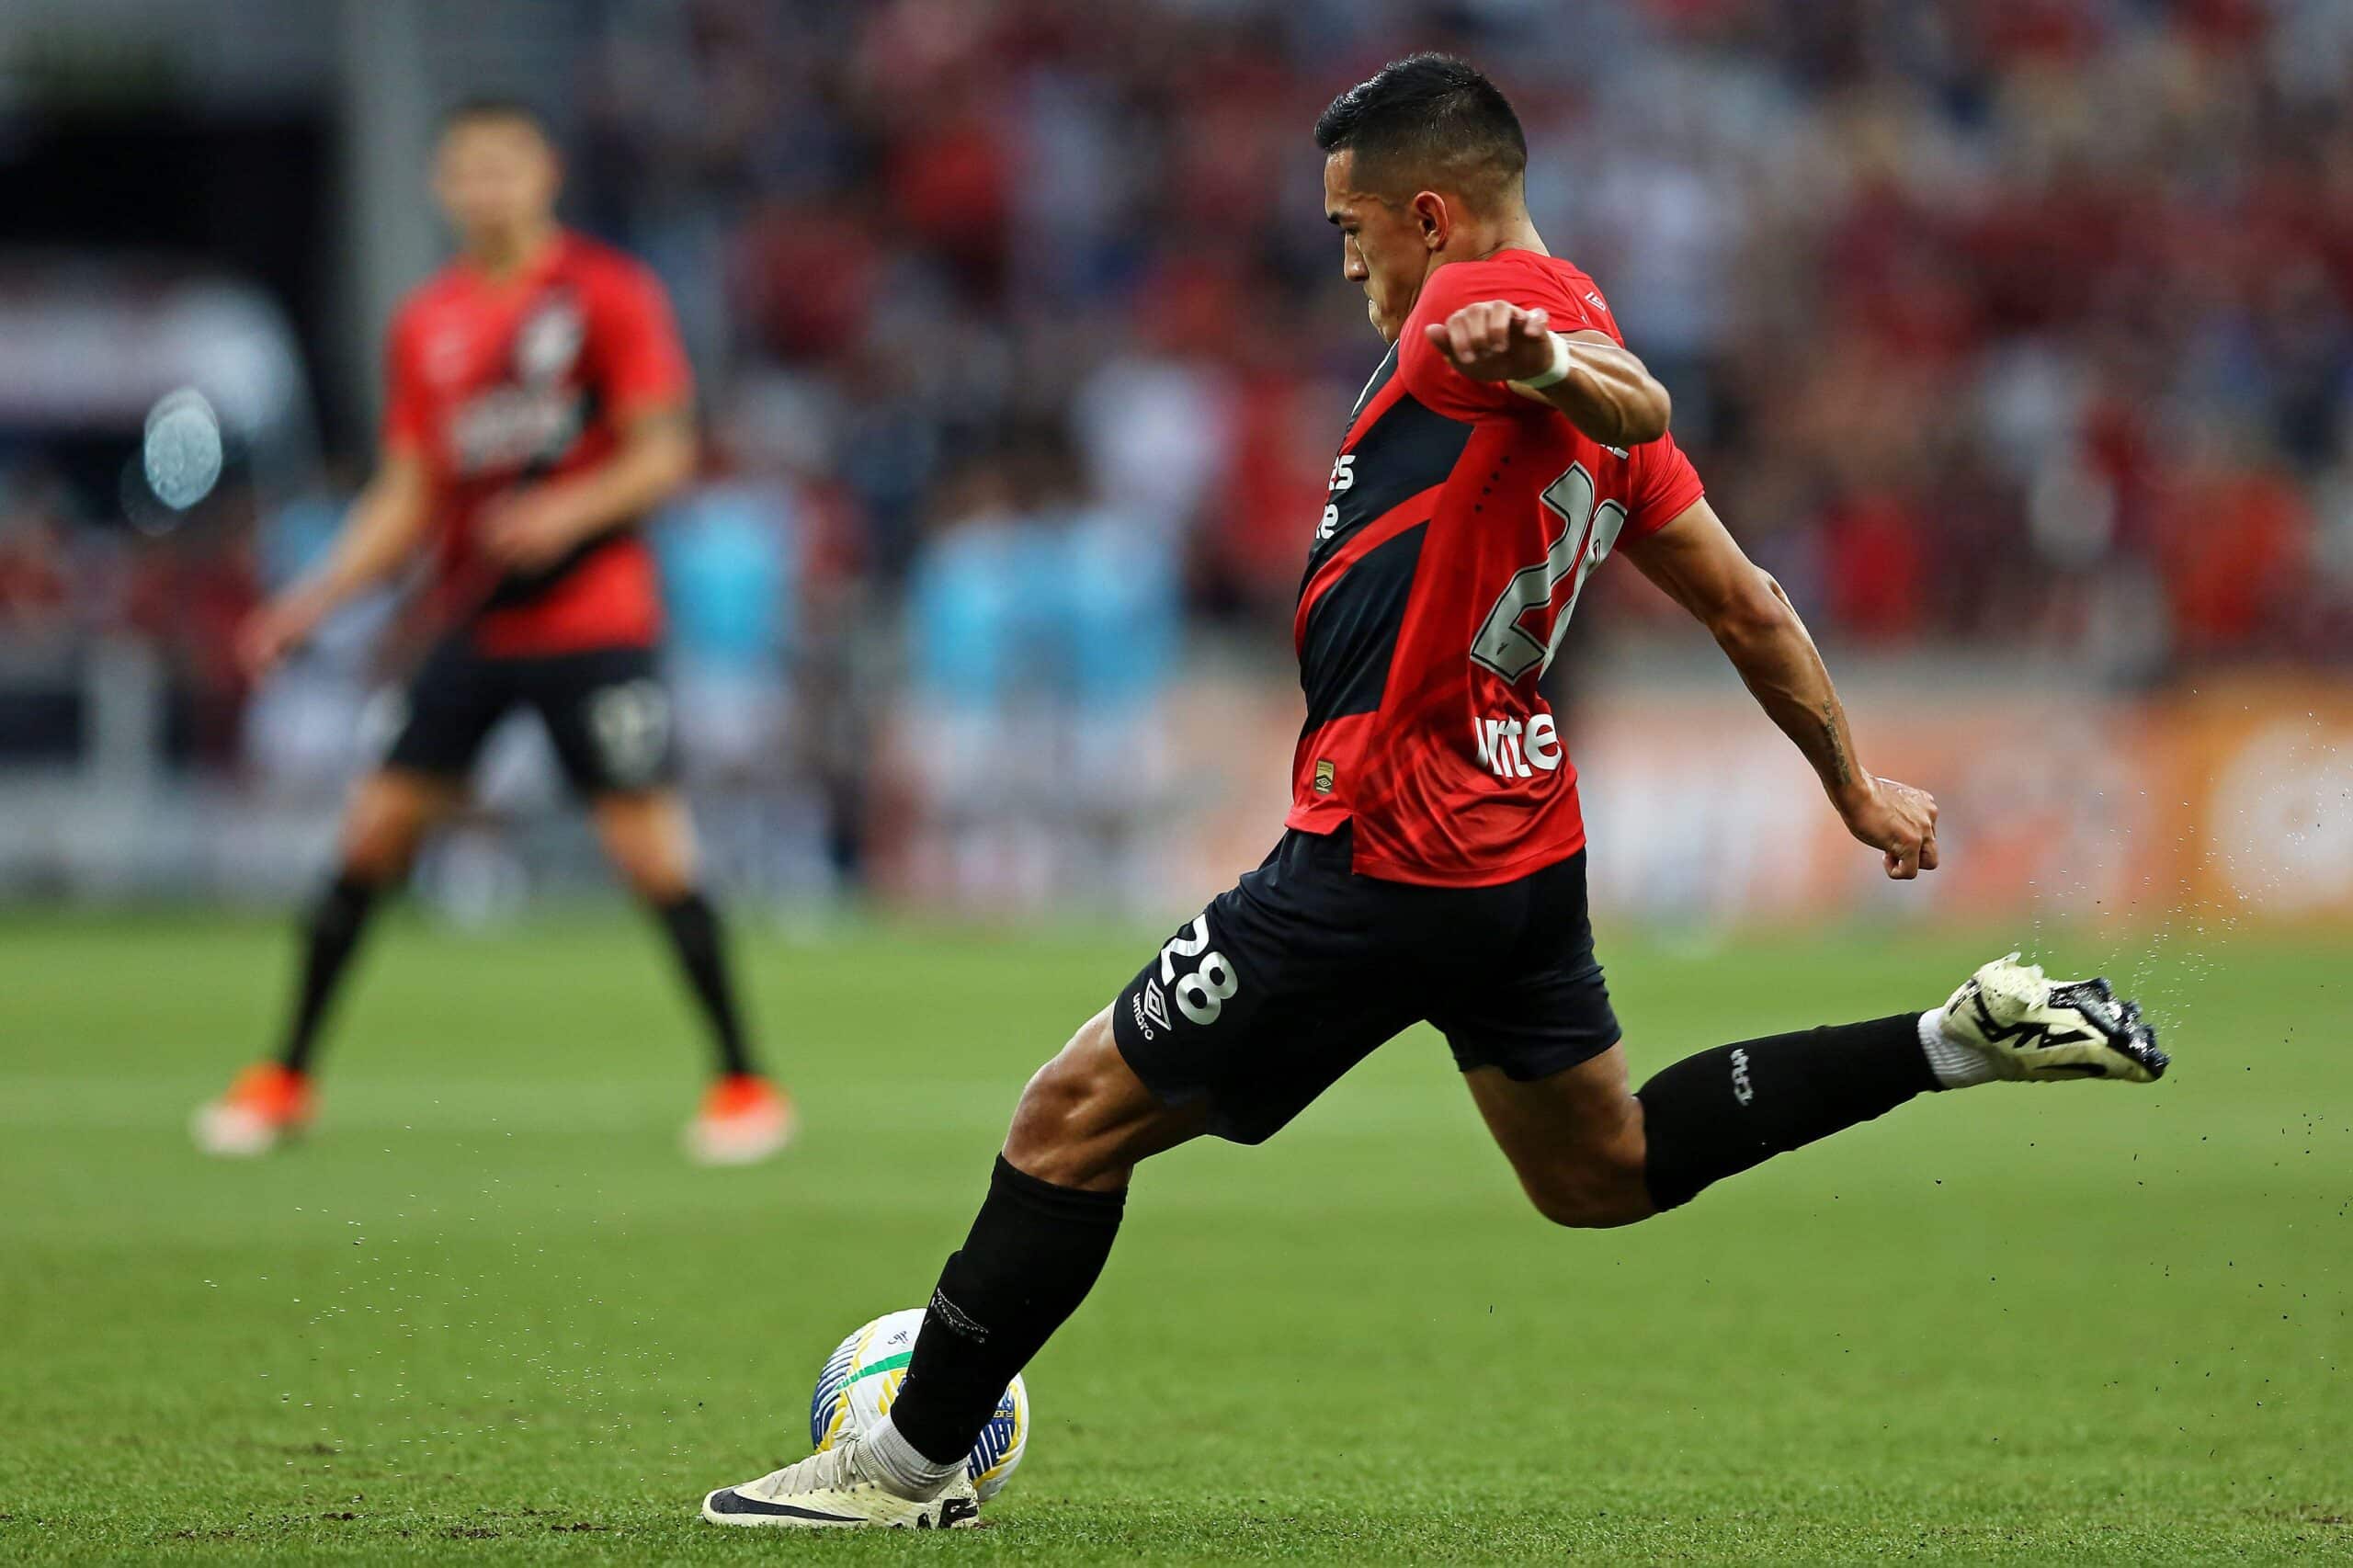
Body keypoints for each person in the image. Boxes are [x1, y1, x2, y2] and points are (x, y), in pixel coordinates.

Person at [698, 55, 2167, 1528]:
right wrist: (1851, 782)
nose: (1347, 263)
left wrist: (1552, 365)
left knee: (1068, 1116)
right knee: (1602, 1166)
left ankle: (900, 1466)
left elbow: (1630, 398)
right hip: (1518, 846)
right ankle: (1951, 1038)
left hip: (1384, 848)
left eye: (1352, 229)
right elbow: (1749, 601)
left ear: (1427, 211)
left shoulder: (1477, 311)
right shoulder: (1538, 357)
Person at [194, 100, 790, 1166]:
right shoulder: (428, 323)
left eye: (502, 166)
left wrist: (565, 511)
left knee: (647, 848)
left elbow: (663, 454)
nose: (485, 187)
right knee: (371, 836)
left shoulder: (607, 295)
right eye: (466, 170)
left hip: (595, 616)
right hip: (478, 622)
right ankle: (282, 1074)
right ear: (441, 186)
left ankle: (744, 1080)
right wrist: (315, 598)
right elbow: (407, 493)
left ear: (544, 173)